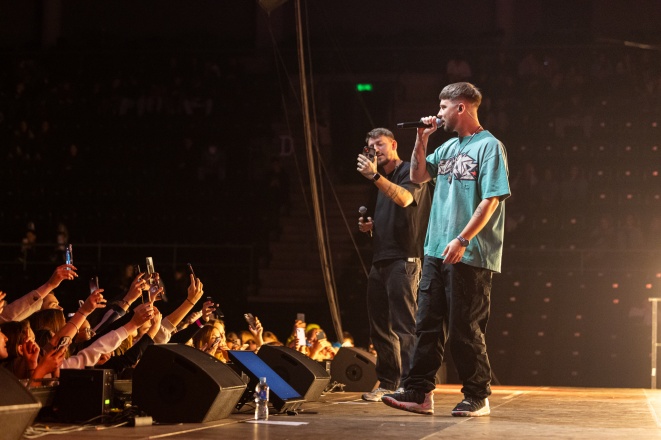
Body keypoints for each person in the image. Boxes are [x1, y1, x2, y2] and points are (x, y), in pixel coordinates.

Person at [382, 82, 510, 417]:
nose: (438, 113)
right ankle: (419, 391)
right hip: (436, 249)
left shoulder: (489, 146)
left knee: (464, 328)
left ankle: (477, 395)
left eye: (442, 107)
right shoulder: (449, 147)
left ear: (460, 107)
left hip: (469, 252)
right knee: (426, 323)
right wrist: (421, 138)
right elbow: (417, 175)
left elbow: (491, 199)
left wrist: (463, 239)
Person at [356, 127, 432, 401]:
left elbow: (405, 198)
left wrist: (375, 176)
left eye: (380, 144)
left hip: (404, 258)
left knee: (405, 325)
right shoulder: (382, 180)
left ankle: (412, 386)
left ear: (394, 144)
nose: (375, 149)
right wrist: (371, 226)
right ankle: (389, 382)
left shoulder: (411, 170)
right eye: (371, 145)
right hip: (381, 257)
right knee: (378, 325)